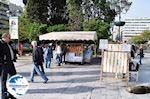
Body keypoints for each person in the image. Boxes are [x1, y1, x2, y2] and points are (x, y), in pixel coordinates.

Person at [0, 33, 17, 99]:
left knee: (13, 77)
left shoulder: (8, 44)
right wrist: (3, 61)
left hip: (10, 63)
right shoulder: (1, 44)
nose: (10, 39)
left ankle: (10, 93)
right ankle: (3, 96)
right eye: (9, 38)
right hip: (4, 64)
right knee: (3, 80)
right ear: (5, 37)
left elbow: (11, 52)